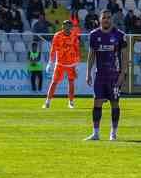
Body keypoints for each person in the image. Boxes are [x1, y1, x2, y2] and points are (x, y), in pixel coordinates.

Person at [85, 10, 127, 141]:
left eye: (109, 18)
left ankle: (113, 133)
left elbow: (125, 56)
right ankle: (96, 133)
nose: (106, 20)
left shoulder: (120, 35)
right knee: (97, 103)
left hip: (114, 76)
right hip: (100, 75)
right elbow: (91, 55)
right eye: (104, 18)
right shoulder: (94, 35)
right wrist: (88, 73)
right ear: (100, 19)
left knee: (115, 103)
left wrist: (122, 74)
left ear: (111, 20)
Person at [43, 16, 82, 109]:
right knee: (54, 82)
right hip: (60, 63)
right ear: (62, 27)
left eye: (68, 26)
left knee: (71, 82)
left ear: (71, 27)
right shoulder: (57, 35)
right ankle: (47, 102)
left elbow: (77, 49)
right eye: (65, 26)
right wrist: (50, 62)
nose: (66, 28)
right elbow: (53, 49)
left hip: (71, 63)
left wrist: (77, 63)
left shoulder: (74, 36)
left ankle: (71, 102)